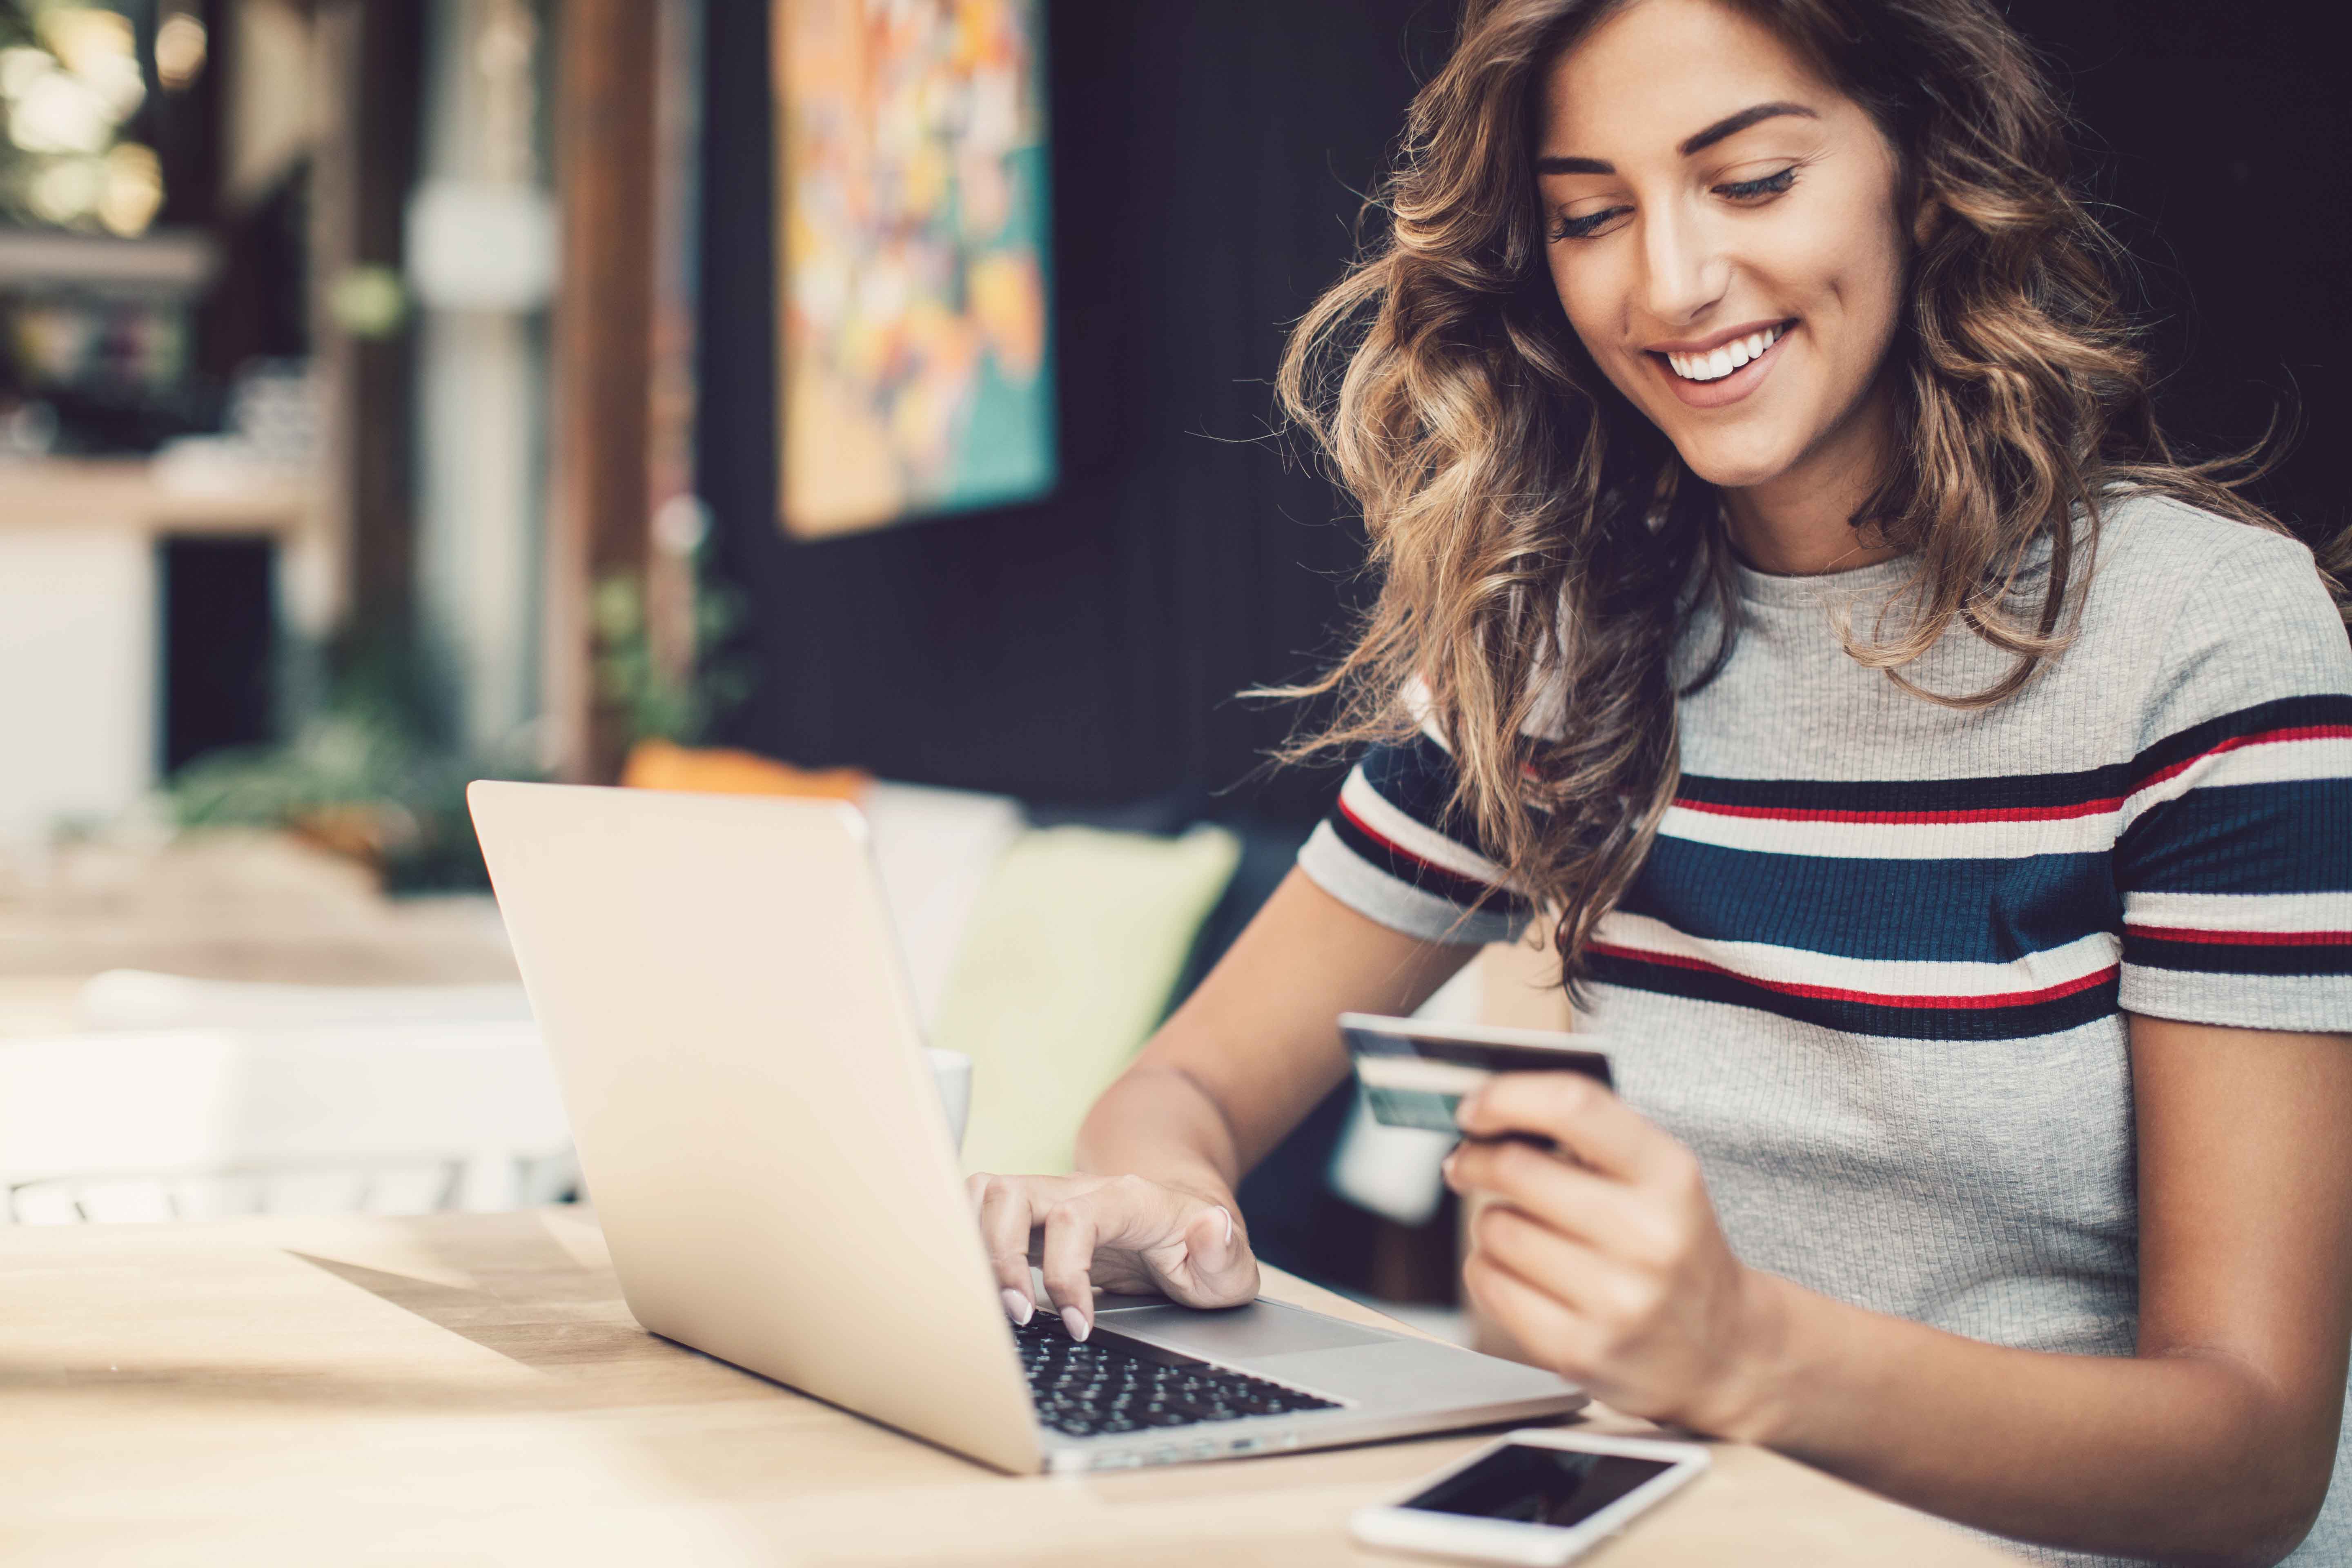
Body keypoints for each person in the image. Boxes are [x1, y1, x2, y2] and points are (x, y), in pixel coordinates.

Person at [963, 1, 2352, 1561]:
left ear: (1922, 169)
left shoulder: (2205, 636)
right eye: (1591, 215)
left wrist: (1743, 1351)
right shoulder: (1562, 644)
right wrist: (1172, 1204)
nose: (1671, 283)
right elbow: (1183, 1089)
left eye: (1751, 182)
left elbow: (2256, 1453)